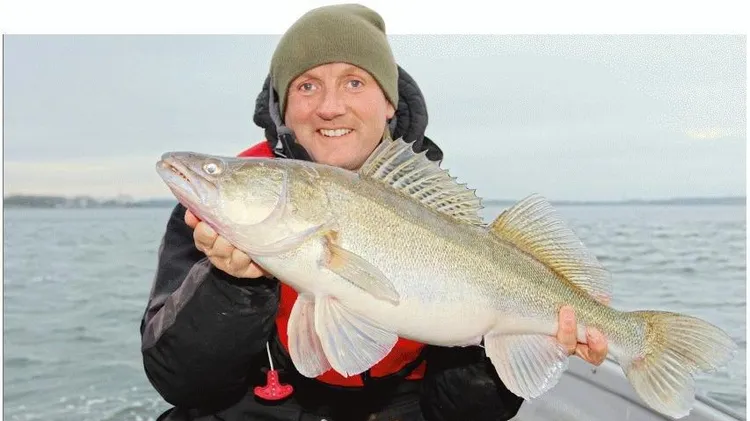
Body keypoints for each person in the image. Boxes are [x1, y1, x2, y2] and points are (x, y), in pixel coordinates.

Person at [140, 4, 609, 421]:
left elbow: (461, 413)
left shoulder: (438, 216)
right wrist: (231, 285)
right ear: (284, 107)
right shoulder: (207, 222)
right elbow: (184, 386)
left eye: (354, 82)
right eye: (307, 85)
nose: (330, 106)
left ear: (387, 102)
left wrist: (512, 343)